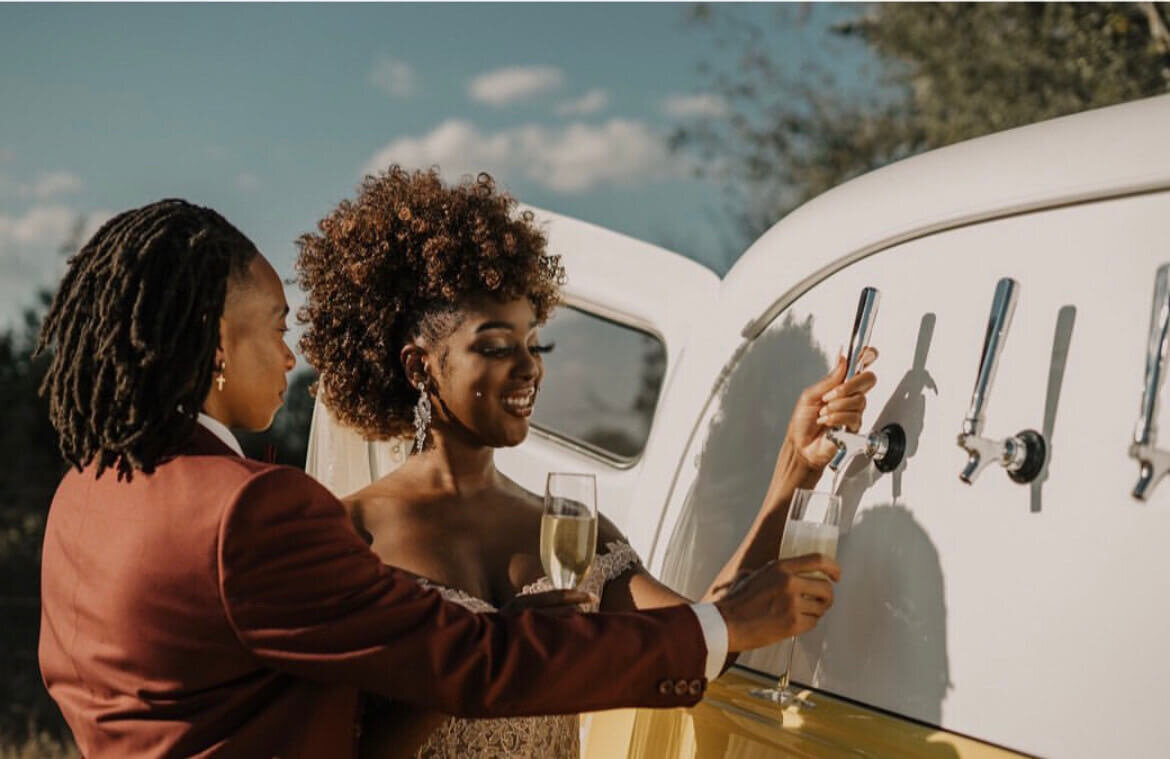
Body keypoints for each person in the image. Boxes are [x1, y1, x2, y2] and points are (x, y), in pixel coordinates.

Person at [34, 198, 839, 759]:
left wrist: (786, 480)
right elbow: (473, 668)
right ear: (214, 341)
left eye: (538, 344)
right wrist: (720, 622)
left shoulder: (85, 493)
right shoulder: (261, 514)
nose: (289, 355)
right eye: (277, 328)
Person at [296, 168, 875, 758]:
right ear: (420, 367)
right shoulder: (346, 537)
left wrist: (795, 468)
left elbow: (706, 636)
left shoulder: (568, 530)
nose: (530, 368)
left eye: (534, 344)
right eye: (497, 346)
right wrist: (490, 656)